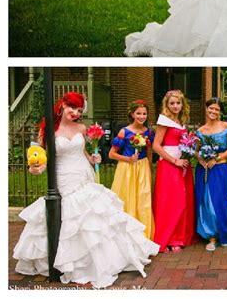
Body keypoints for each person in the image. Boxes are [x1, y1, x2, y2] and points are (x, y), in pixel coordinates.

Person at [13, 92, 159, 289]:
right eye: (72, 108)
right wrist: (35, 168)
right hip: (64, 177)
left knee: (92, 217)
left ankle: (100, 260)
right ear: (62, 105)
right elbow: (41, 156)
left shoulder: (81, 128)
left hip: (84, 174)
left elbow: (82, 152)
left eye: (79, 110)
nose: (75, 113)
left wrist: (93, 158)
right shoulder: (48, 128)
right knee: (70, 217)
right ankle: (71, 261)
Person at [152, 90, 196, 253]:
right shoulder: (164, 121)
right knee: (171, 201)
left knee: (183, 200)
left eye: (178, 103)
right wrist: (174, 160)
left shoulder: (180, 121)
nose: (175, 106)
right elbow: (156, 145)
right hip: (170, 165)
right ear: (167, 105)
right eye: (172, 103)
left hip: (183, 164)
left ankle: (181, 236)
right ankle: (169, 239)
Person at [109, 99, 155, 240]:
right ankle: (126, 235)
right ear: (132, 114)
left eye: (144, 114)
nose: (142, 116)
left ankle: (144, 235)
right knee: (127, 198)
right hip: (127, 168)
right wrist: (128, 159)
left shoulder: (149, 132)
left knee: (143, 200)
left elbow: (149, 152)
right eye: (138, 113)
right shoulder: (125, 132)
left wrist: (149, 168)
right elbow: (112, 154)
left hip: (142, 167)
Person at [195, 98, 227, 251]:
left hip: (220, 169)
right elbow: (196, 150)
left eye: (216, 109)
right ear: (206, 109)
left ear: (220, 111)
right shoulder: (201, 130)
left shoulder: (226, 126)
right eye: (210, 108)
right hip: (204, 170)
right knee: (206, 201)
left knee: (220, 201)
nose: (213, 112)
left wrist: (217, 158)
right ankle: (211, 236)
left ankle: (224, 233)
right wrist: (200, 159)